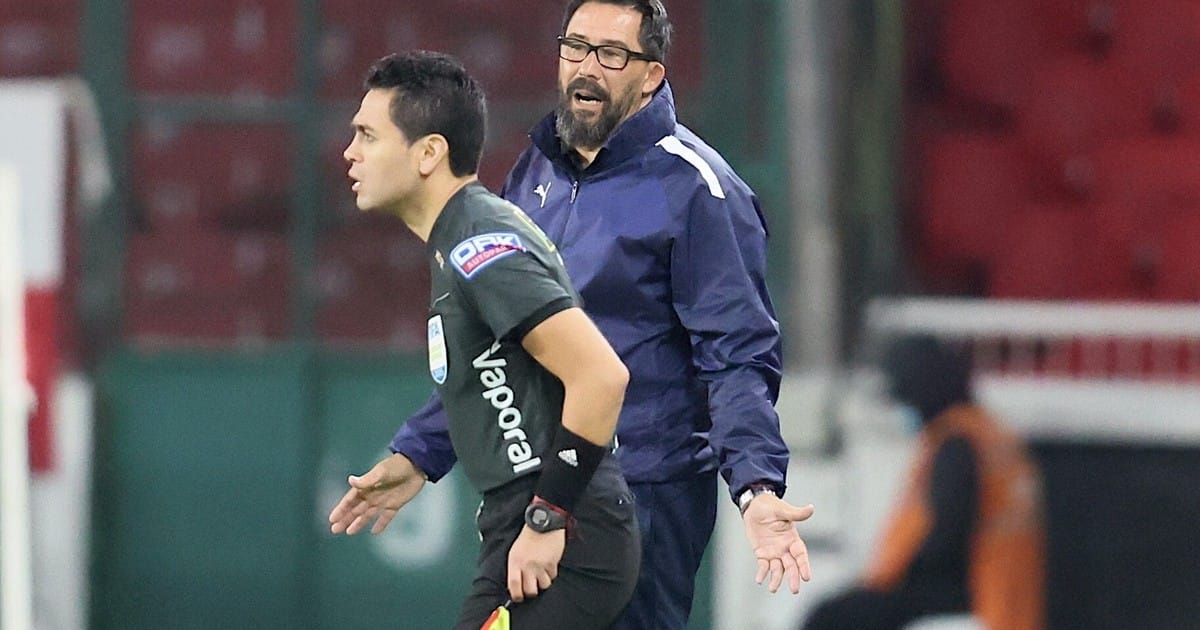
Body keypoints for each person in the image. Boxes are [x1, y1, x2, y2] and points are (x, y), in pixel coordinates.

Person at [338, 1, 816, 627]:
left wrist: (756, 486)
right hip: (540, 487)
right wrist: (421, 453)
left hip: (639, 493)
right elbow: (499, 346)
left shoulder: (699, 190)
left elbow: (737, 357)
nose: (587, 68)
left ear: (651, 75)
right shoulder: (537, 168)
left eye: (611, 54)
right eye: (575, 47)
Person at [327, 50, 641, 630]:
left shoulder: (481, 246)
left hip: (564, 531)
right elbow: (499, 373)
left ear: (428, 153)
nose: (350, 152)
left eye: (368, 135)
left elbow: (601, 376)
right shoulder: (462, 237)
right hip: (527, 524)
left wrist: (548, 517)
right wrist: (418, 460)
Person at [801, 334, 1045, 630]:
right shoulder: (992, 433)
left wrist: (899, 577)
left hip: (968, 588)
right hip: (1003, 588)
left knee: (830, 617)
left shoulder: (957, 442)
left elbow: (947, 532)